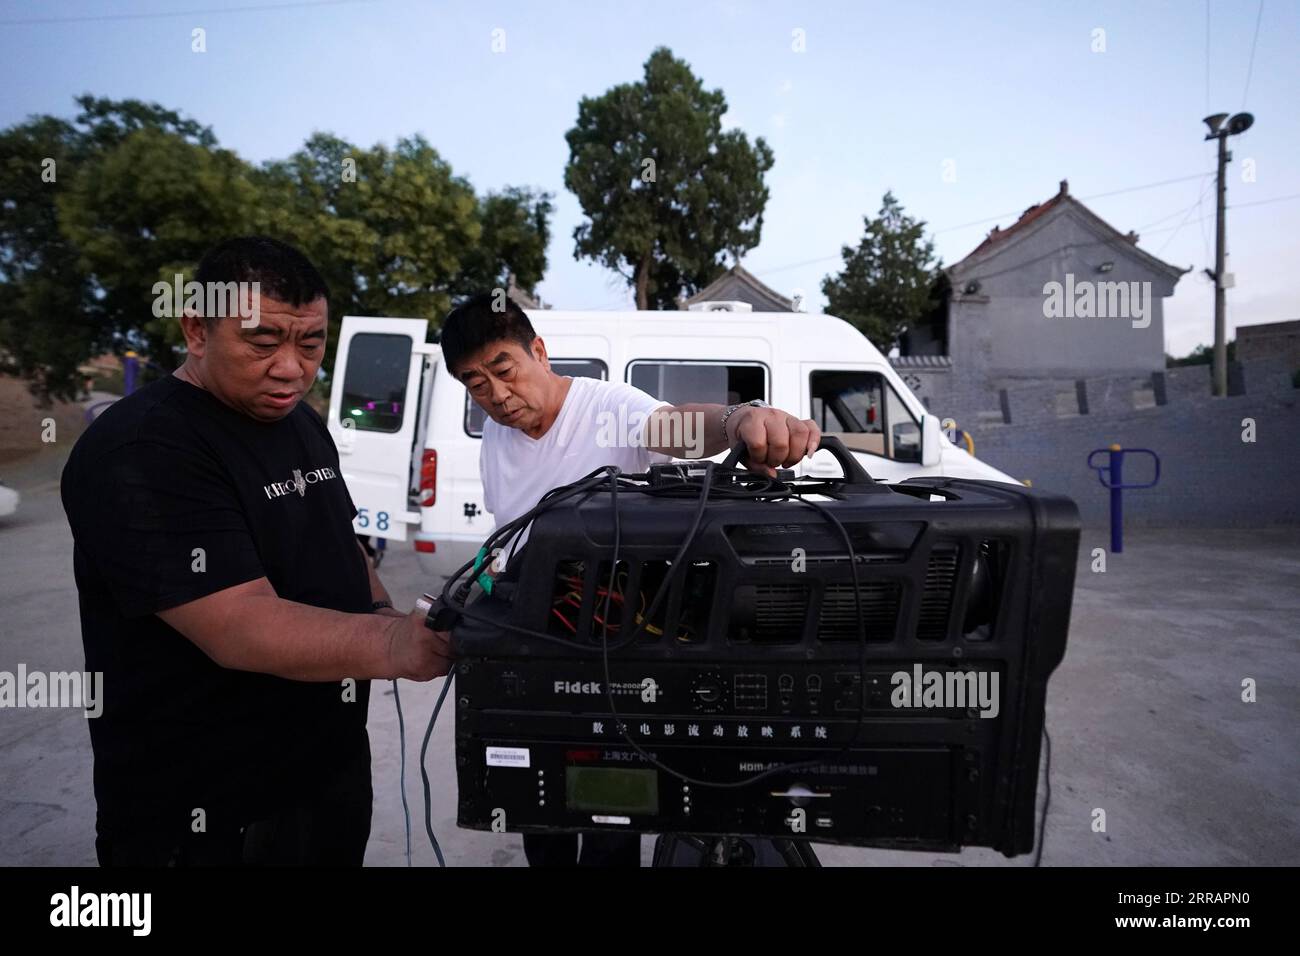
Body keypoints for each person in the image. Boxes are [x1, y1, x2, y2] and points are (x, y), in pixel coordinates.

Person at [61, 236, 451, 867]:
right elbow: (238, 625)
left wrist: (386, 614)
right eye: (263, 342)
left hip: (327, 779)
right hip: (207, 813)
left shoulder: (300, 421)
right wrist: (393, 646)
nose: (292, 368)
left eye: (311, 343)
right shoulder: (141, 447)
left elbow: (341, 542)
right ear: (196, 329)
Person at [439, 293, 821, 866]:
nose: (496, 395)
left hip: (611, 647)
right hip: (535, 645)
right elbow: (508, 532)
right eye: (476, 384)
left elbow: (675, 426)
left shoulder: (608, 406)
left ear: (538, 352)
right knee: (537, 804)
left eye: (504, 370)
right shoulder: (497, 435)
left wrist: (738, 418)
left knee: (608, 805)